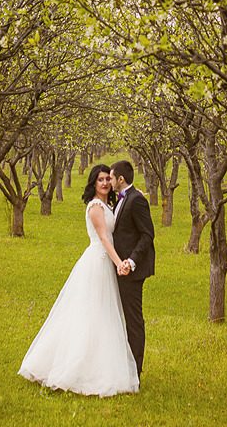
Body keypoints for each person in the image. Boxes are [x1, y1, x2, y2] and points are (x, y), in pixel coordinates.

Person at [18, 164, 139, 396]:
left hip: (104, 263)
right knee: (90, 313)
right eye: (100, 180)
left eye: (107, 179)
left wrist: (137, 194)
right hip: (98, 262)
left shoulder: (107, 204)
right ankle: (75, 368)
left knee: (103, 313)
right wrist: (120, 264)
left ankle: (100, 362)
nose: (104, 183)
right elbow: (104, 238)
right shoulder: (95, 206)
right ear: (93, 183)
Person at [110, 159, 155, 379]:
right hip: (118, 267)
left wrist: (131, 261)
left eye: (111, 177)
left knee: (134, 320)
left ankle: (135, 372)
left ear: (120, 179)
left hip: (131, 271)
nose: (109, 181)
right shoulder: (120, 199)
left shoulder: (136, 200)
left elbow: (148, 234)